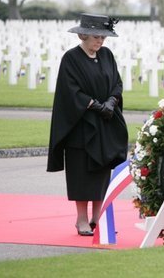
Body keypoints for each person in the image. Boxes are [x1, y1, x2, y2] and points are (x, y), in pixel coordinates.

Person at [47, 13, 128, 236]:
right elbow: (70, 91)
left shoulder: (107, 55)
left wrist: (112, 102)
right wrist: (94, 105)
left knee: (102, 170)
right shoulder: (71, 59)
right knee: (81, 173)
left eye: (103, 38)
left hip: (104, 124)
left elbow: (116, 83)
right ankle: (81, 220)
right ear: (83, 35)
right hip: (80, 126)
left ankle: (98, 217)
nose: (100, 42)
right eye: (96, 37)